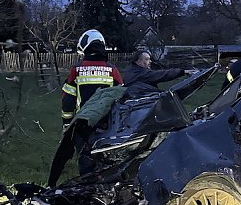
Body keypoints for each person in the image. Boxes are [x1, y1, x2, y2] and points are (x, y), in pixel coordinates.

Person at [59, 29, 123, 176]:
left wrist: (67, 124)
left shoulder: (77, 70)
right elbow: (121, 96)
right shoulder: (112, 70)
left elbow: (68, 100)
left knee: (86, 161)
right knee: (108, 163)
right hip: (108, 125)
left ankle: (87, 188)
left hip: (83, 124)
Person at [122, 49, 193, 97]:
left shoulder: (130, 71)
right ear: (137, 61)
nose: (150, 61)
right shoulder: (141, 74)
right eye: (146, 59)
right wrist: (182, 71)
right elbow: (161, 75)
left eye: (149, 59)